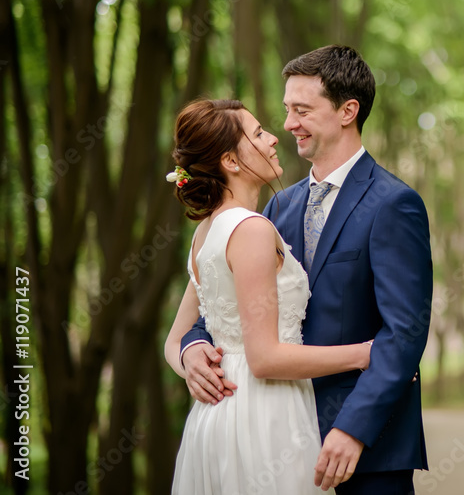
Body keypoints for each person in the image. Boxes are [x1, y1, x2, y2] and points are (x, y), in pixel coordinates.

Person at [179, 45, 433, 493]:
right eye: (285, 110)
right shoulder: (277, 206)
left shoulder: (394, 204)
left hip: (367, 448)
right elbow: (228, 306)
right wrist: (193, 347)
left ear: (347, 111)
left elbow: (404, 332)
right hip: (275, 434)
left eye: (302, 109)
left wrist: (353, 428)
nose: (288, 124)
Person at [163, 98, 375, 494]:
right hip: (265, 414)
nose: (274, 137)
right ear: (230, 160)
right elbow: (265, 359)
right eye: (258, 133)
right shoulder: (252, 229)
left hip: (216, 417)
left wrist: (190, 360)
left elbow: (174, 341)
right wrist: (364, 353)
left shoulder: (205, 232)